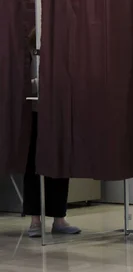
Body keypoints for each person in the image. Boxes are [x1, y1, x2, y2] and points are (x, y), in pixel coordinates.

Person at [23, 28, 81, 238]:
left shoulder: (63, 54)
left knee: (59, 165)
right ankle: (35, 220)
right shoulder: (27, 54)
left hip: (58, 115)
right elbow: (21, 86)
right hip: (34, 115)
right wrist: (43, 83)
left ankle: (59, 218)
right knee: (33, 167)